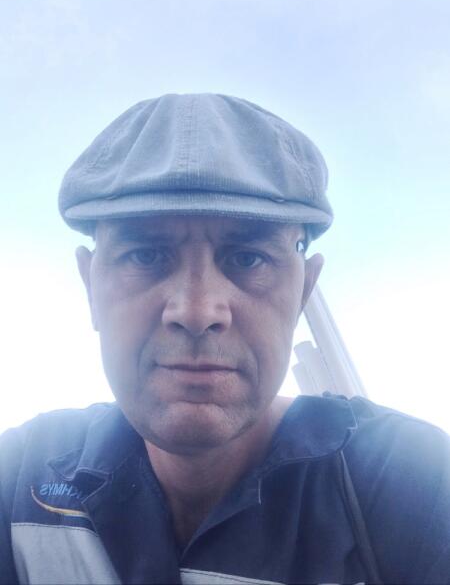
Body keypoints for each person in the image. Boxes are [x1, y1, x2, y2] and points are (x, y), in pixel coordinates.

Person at [1, 94, 449, 585]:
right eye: (146, 255)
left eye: (248, 258)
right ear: (90, 286)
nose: (196, 311)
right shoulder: (20, 475)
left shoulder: (414, 483)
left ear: (303, 292)